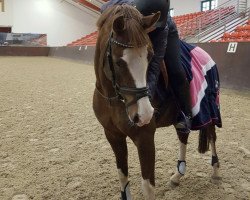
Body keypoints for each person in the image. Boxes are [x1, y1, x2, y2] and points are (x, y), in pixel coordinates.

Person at [101, 0, 192, 134]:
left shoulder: (160, 28)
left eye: (154, 26)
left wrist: (146, 95)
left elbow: (155, 64)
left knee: (176, 70)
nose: (152, 29)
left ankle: (186, 114)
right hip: (137, 25)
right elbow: (103, 10)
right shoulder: (115, 6)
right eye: (151, 27)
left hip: (166, 31)